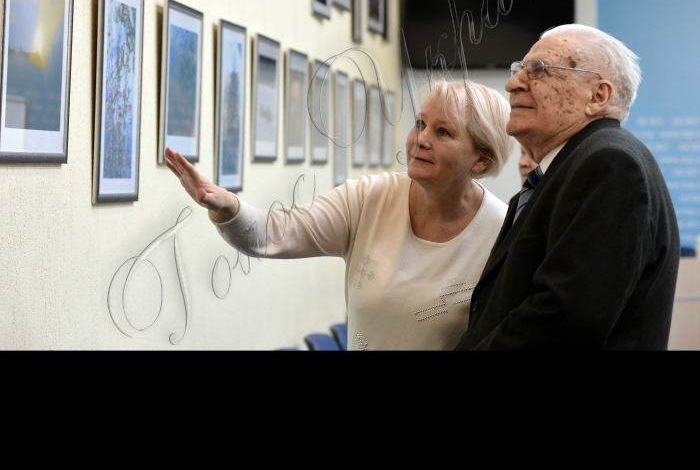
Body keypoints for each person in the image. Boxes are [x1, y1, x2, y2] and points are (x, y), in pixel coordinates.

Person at [166, 80, 514, 350]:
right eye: (420, 123)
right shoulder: (370, 198)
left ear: (481, 159)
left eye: (442, 131)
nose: (421, 139)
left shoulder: (504, 232)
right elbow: (277, 233)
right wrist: (229, 207)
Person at [455, 24, 680, 350]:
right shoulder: (563, 172)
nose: (513, 83)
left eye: (537, 70)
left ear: (597, 96)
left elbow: (564, 320)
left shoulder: (610, 165)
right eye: (519, 69)